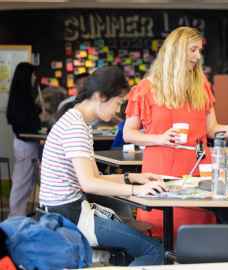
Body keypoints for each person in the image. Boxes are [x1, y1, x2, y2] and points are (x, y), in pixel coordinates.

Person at [123, 26, 228, 237]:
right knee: (163, 230)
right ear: (176, 50)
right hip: (161, 168)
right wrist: (160, 138)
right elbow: (129, 134)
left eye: (199, 51)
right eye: (193, 50)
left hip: (198, 167)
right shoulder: (146, 88)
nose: (197, 56)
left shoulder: (201, 87)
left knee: (199, 234)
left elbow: (212, 130)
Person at [39, 66, 165, 266]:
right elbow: (89, 184)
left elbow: (94, 178)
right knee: (155, 250)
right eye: (117, 102)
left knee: (139, 245)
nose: (118, 110)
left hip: (66, 211)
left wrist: (132, 178)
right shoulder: (75, 127)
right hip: (70, 216)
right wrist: (136, 189)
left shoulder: (78, 121)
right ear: (100, 96)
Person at [6, 62, 47, 217]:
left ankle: (18, 217)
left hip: (27, 144)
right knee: (22, 184)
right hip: (26, 145)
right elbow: (26, 124)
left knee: (25, 184)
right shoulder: (22, 97)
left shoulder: (21, 95)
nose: (35, 78)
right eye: (33, 74)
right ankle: (15, 219)